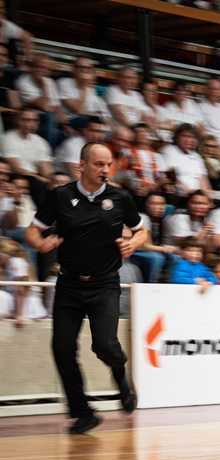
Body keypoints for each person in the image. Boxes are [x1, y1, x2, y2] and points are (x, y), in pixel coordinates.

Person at [26, 142, 147, 434]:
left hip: (104, 284)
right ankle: (83, 412)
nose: (105, 169)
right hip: (68, 284)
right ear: (81, 165)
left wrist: (133, 242)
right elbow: (32, 230)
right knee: (62, 348)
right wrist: (40, 243)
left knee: (105, 345)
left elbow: (142, 230)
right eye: (98, 164)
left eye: (108, 164)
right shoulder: (60, 196)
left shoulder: (120, 197)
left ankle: (121, 378)